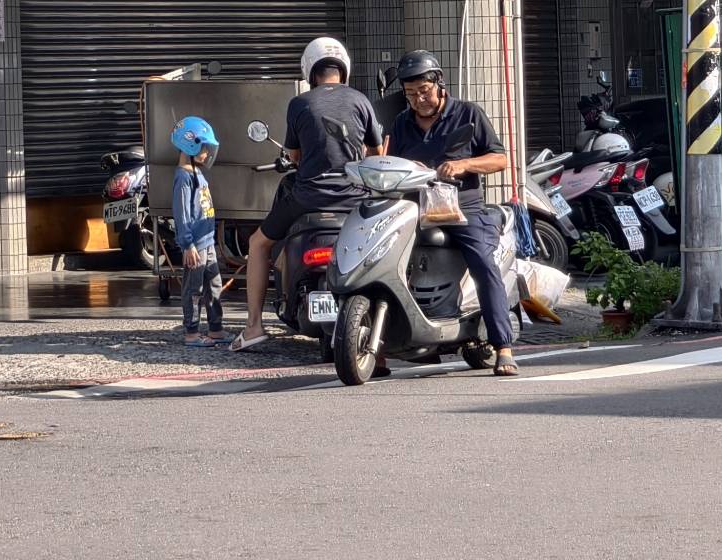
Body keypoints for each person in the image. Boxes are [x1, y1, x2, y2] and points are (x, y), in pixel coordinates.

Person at [231, 36, 384, 353]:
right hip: (353, 199)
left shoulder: (300, 104)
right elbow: (376, 153)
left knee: (258, 243)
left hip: (309, 198)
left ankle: (254, 326)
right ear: (344, 68)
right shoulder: (361, 101)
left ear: (310, 71)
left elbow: (295, 156)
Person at [385, 50, 519, 378]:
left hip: (462, 207)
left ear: (440, 85)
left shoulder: (468, 114)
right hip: (416, 205)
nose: (419, 100)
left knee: (483, 265)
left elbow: (500, 159)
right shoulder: (402, 122)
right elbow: (390, 162)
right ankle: (381, 350)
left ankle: (503, 345)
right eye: (411, 94)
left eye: (424, 92)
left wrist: (464, 164)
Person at [170, 117, 225, 347]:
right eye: (204, 148)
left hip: (207, 241)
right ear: (190, 145)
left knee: (214, 285)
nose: (207, 153)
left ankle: (216, 329)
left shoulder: (197, 173)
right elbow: (182, 214)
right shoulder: (183, 177)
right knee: (194, 289)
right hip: (195, 245)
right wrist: (187, 244)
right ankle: (192, 332)